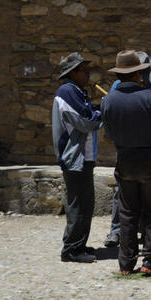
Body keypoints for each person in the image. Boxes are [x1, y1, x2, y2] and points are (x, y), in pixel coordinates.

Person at [101, 50, 151, 276]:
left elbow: (109, 134)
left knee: (128, 212)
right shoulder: (150, 96)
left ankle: (126, 263)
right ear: (137, 74)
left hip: (126, 160)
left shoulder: (108, 100)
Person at [51, 52, 102, 264]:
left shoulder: (78, 91)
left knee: (86, 203)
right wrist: (105, 111)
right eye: (84, 70)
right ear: (72, 73)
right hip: (75, 157)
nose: (88, 73)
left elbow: (91, 113)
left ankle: (79, 243)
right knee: (78, 204)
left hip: (84, 156)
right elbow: (87, 120)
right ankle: (71, 249)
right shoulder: (68, 91)